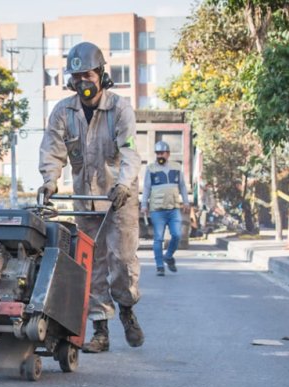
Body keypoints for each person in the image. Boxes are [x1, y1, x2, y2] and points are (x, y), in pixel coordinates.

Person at [38, 41, 143, 352]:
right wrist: (49, 182)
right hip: (86, 202)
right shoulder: (63, 112)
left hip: (119, 198)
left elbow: (131, 152)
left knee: (121, 262)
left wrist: (123, 184)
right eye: (76, 77)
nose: (82, 82)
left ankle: (126, 309)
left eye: (87, 75)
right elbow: (52, 151)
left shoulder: (119, 108)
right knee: (92, 267)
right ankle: (101, 330)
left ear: (101, 74)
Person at [141, 141, 190, 276]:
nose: (159, 155)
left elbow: (183, 186)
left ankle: (168, 256)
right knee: (158, 238)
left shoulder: (176, 167)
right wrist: (144, 204)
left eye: (162, 153)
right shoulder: (151, 168)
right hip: (157, 210)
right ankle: (159, 266)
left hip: (174, 209)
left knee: (176, 234)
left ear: (168, 154)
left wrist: (186, 202)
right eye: (157, 153)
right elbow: (146, 187)